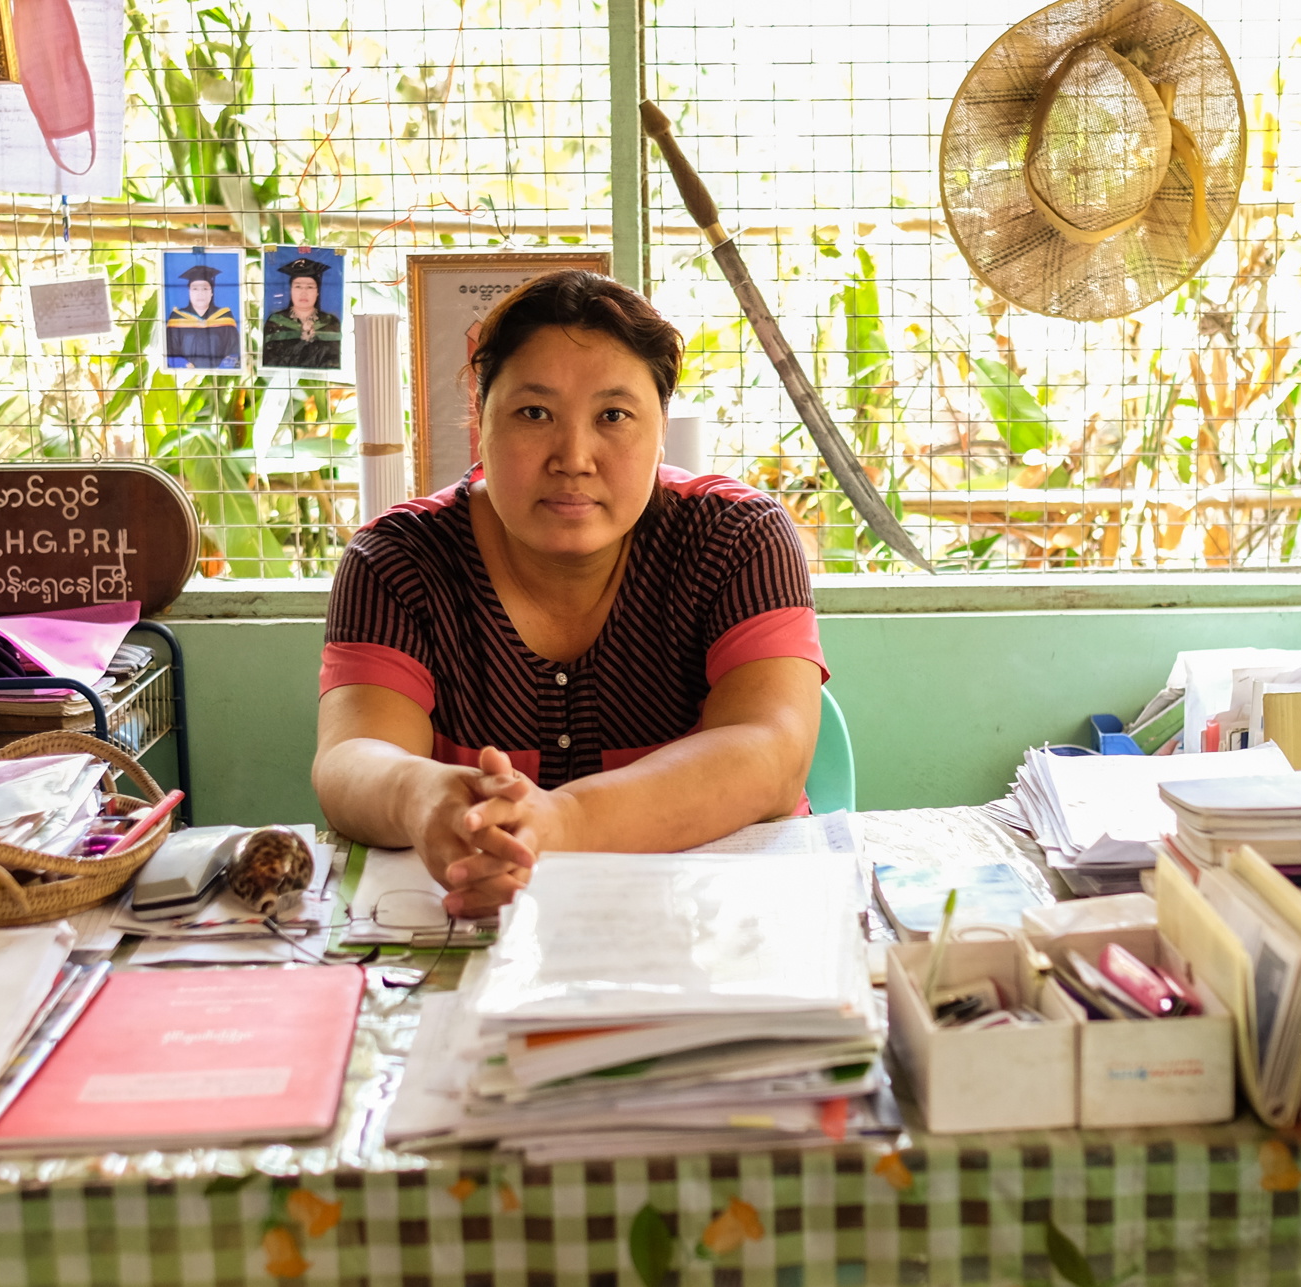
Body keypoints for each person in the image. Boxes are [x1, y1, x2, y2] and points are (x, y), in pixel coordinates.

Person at [313, 269, 825, 920]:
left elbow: (770, 751)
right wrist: (419, 794)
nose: (574, 456)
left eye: (613, 415)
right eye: (534, 413)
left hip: (717, 931)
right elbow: (350, 760)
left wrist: (564, 822)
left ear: (661, 425)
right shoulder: (396, 561)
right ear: (478, 415)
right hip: (479, 925)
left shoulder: (739, 541)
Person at [261, 256, 342, 369]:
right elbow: (270, 362)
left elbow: (334, 363)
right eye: (298, 286)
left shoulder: (330, 322)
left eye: (310, 287)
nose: (303, 293)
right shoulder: (275, 322)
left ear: (317, 292)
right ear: (291, 290)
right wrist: (302, 341)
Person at [164, 260, 240, 369]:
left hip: (219, 377)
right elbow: (170, 352)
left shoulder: (225, 318)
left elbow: (234, 351)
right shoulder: (177, 318)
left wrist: (221, 371)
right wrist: (185, 366)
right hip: (186, 377)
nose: (200, 293)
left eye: (205, 288)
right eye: (195, 289)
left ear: (211, 292)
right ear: (189, 292)